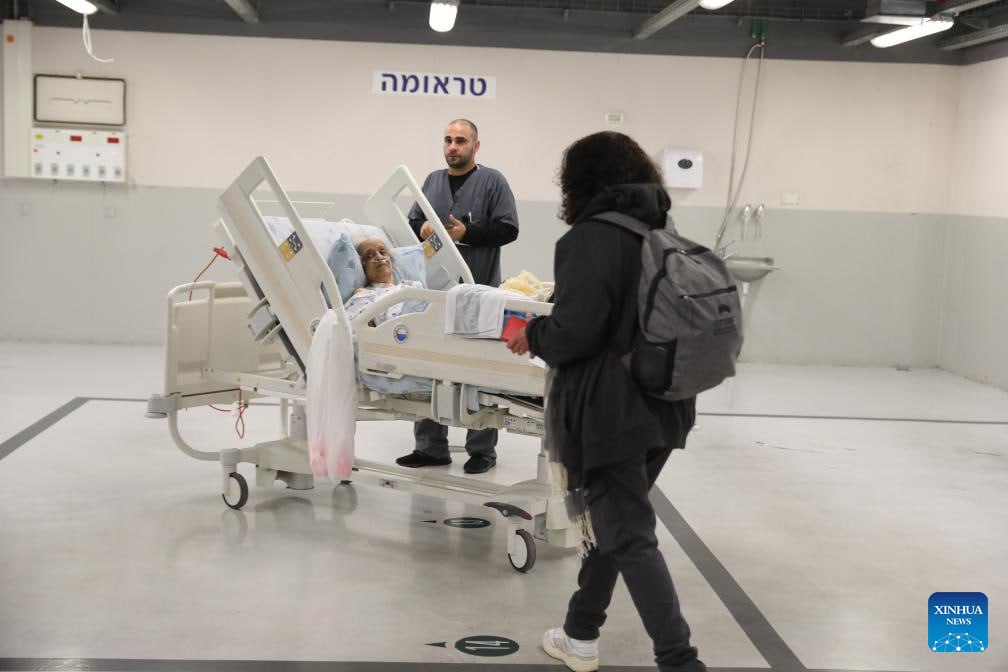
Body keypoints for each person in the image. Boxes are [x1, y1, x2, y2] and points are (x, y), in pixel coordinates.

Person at [506, 132, 706, 672]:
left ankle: (680, 661)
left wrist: (534, 333)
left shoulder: (589, 238)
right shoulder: (660, 230)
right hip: (668, 403)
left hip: (614, 411)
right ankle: (580, 632)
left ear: (579, 181)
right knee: (614, 522)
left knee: (630, 536)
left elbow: (575, 334)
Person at [396, 118, 520, 475]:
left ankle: (482, 450)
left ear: (475, 146)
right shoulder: (432, 181)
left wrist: (469, 233)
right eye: (448, 139)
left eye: (461, 140)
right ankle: (430, 448)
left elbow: (509, 229)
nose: (453, 146)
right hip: (436, 291)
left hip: (479, 289)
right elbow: (412, 221)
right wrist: (420, 227)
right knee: (430, 366)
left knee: (477, 369)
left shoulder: (493, 181)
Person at [343, 237, 424, 326]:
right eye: (369, 256)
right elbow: (358, 327)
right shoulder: (365, 295)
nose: (379, 257)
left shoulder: (410, 286)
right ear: (362, 266)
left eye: (382, 252)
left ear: (390, 259)